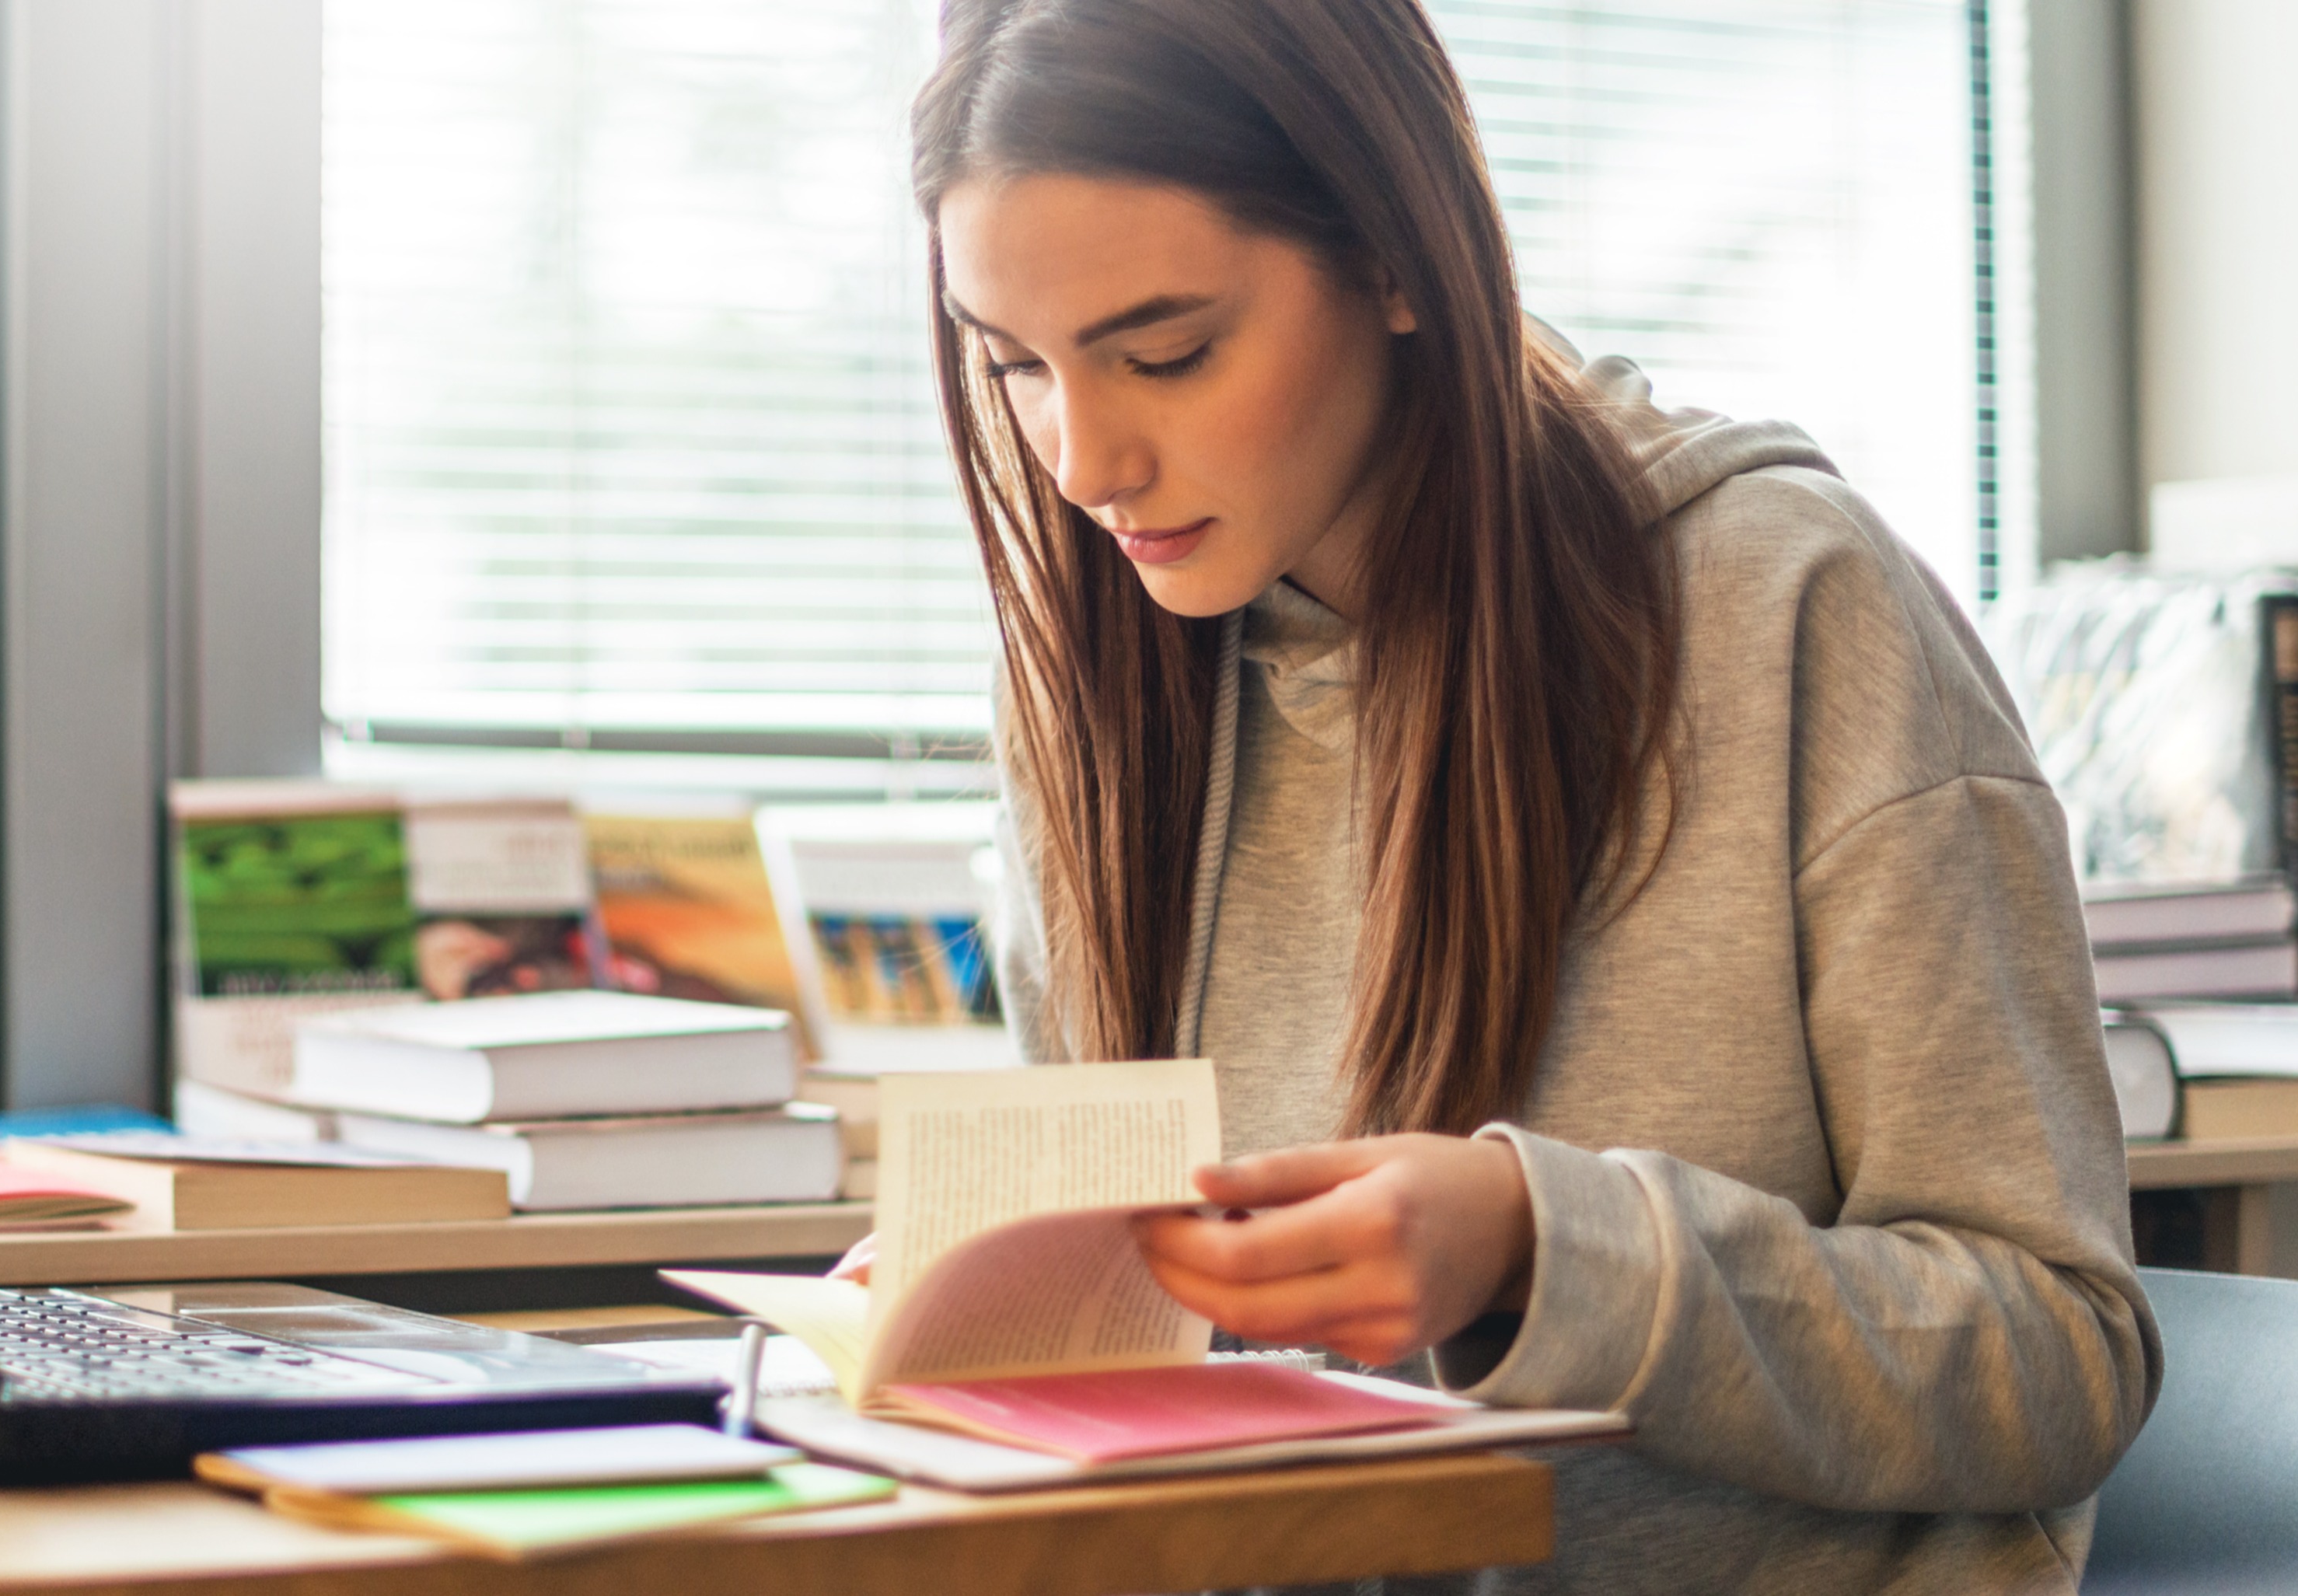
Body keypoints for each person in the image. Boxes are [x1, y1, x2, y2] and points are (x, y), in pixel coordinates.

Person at [857, 1, 2159, 1589]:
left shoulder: (1788, 605)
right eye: (1014, 366)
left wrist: (1542, 1250)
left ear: (1401, 261)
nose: (1081, 461)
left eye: (1168, 352)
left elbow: (2060, 1359)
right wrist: (1000, 1319)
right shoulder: (1105, 680)